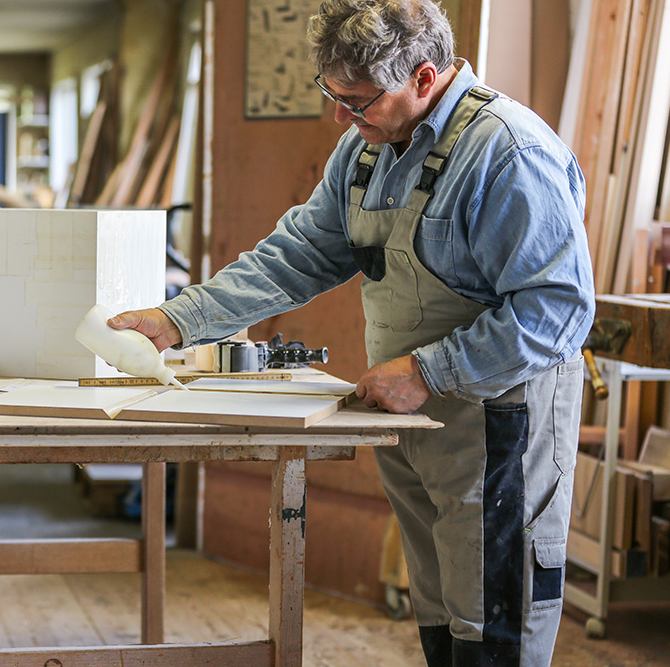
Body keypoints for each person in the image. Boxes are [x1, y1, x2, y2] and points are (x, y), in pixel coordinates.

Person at [110, 1, 595, 664]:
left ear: (424, 79)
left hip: (497, 425)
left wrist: (427, 371)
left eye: (357, 100)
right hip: (414, 421)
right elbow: (295, 256)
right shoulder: (366, 149)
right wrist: (178, 319)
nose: (340, 117)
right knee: (442, 612)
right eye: (332, 95)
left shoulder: (509, 152)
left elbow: (557, 308)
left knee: (492, 620)